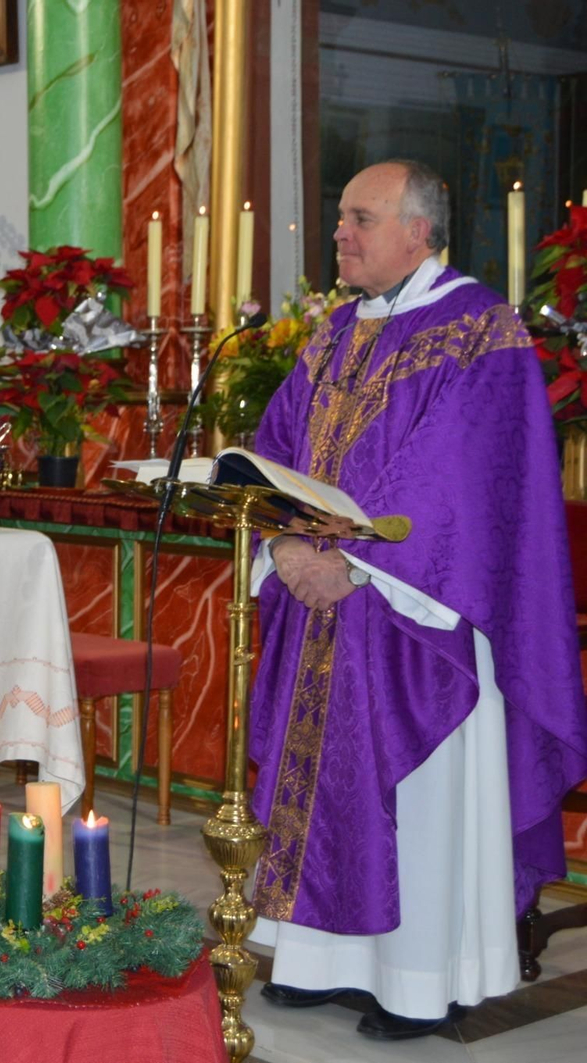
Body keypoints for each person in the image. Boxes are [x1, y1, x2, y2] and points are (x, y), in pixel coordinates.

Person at [246, 160, 587, 1039]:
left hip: (416, 615)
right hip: (317, 600)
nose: (340, 233)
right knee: (316, 784)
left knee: (419, 800)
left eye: (360, 218)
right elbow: (275, 448)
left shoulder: (479, 329)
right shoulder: (333, 332)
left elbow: (460, 479)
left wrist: (355, 564)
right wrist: (285, 543)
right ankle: (316, 957)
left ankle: (417, 980)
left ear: (418, 231)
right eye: (342, 216)